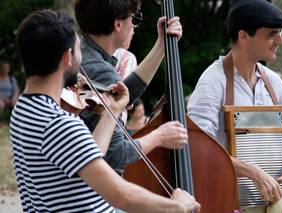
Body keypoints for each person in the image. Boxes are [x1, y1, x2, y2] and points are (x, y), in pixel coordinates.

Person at [11, 9, 200, 213]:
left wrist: (113, 112)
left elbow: (91, 155)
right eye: (79, 49)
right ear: (67, 57)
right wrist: (178, 206)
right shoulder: (61, 124)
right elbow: (122, 196)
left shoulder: (23, 109)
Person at [187, 0, 282, 204]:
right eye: (272, 34)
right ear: (244, 36)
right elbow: (198, 148)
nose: (280, 41)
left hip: (277, 205)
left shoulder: (273, 82)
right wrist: (252, 172)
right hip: (227, 203)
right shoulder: (213, 81)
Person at [75, 0, 188, 175]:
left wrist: (161, 47)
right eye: (135, 19)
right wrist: (159, 136)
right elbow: (115, 154)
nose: (134, 26)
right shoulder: (101, 71)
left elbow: (121, 95)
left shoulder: (83, 53)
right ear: (118, 24)